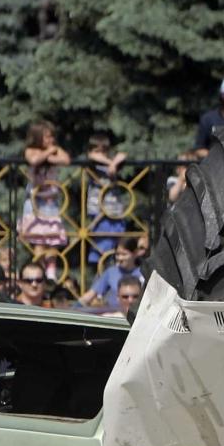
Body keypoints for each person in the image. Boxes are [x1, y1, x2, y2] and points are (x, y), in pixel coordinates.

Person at [19, 121, 71, 271]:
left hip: (51, 201)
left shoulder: (55, 149)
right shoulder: (31, 150)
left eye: (52, 137)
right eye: (47, 137)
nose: (51, 140)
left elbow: (66, 160)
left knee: (52, 239)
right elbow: (34, 160)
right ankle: (39, 270)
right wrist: (49, 153)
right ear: (37, 137)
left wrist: (51, 153)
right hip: (36, 201)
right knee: (39, 239)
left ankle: (51, 273)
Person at [84, 131, 129, 267]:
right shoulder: (92, 163)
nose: (101, 154)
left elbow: (123, 155)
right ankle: (101, 270)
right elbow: (92, 156)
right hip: (98, 210)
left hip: (115, 210)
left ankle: (115, 267)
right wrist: (110, 163)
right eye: (98, 150)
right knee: (101, 245)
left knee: (117, 244)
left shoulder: (112, 164)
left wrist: (113, 163)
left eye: (104, 151)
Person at [79, 237, 144, 311]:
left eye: (124, 254)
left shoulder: (143, 273)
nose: (120, 258)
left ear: (135, 253)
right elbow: (89, 296)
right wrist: (74, 309)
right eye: (117, 254)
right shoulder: (111, 272)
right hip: (114, 316)